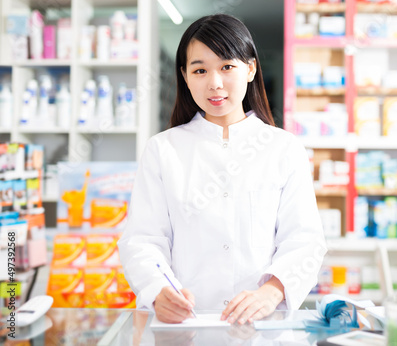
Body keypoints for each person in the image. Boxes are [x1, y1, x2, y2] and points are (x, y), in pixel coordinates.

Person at [118, 14, 326, 325]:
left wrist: (272, 291)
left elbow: (305, 239)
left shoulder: (284, 148)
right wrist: (159, 290)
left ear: (251, 68)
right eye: (200, 70)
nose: (214, 83)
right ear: (186, 77)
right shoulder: (163, 150)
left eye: (227, 67)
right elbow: (144, 239)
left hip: (261, 326)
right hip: (186, 325)